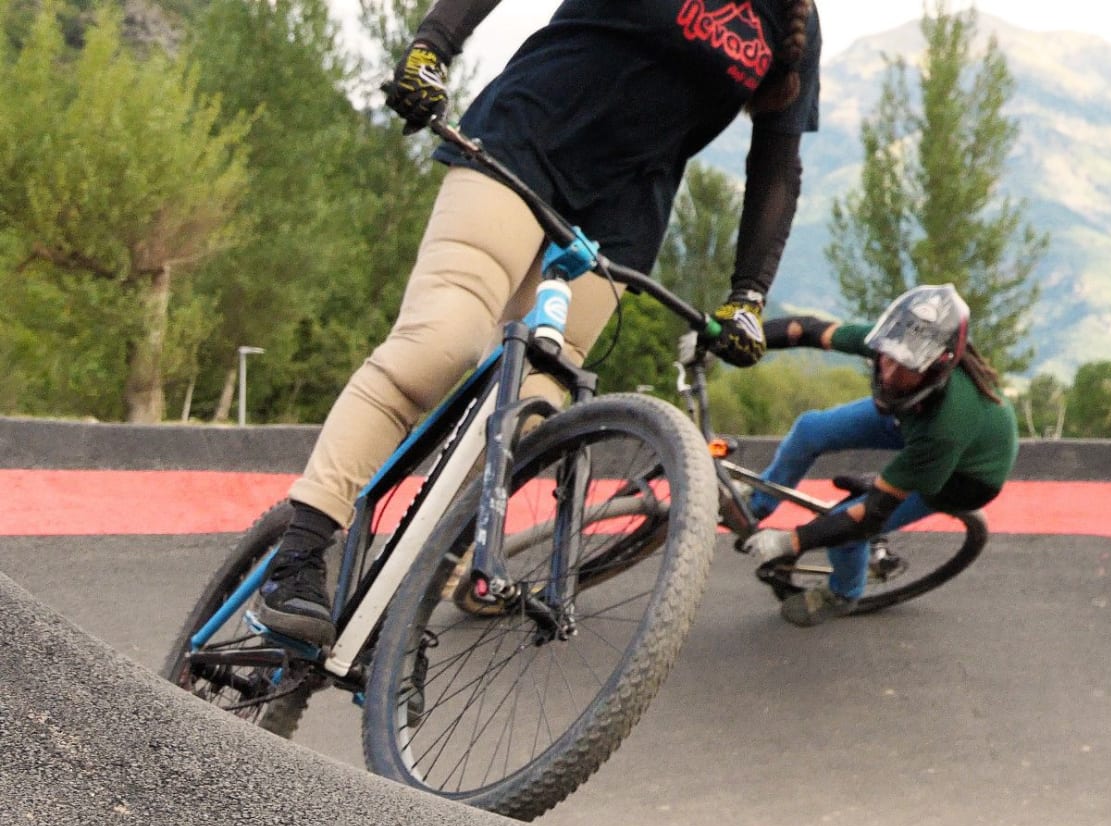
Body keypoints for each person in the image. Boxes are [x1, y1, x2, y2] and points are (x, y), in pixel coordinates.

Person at [255, 0, 824, 645]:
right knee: (439, 345)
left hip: (620, 220)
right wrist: (432, 48)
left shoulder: (795, 21)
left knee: (531, 413)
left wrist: (749, 295)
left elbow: (777, 164)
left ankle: (415, 593)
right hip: (522, 145)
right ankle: (298, 555)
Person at [742, 283, 1019, 627]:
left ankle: (843, 594)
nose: (888, 374)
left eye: (906, 367)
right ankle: (760, 501)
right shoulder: (898, 341)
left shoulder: (946, 427)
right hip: (914, 415)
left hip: (963, 476)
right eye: (887, 358)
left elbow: (867, 516)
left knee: (847, 532)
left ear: (936, 367)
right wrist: (729, 341)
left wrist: (789, 541)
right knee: (810, 429)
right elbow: (805, 330)